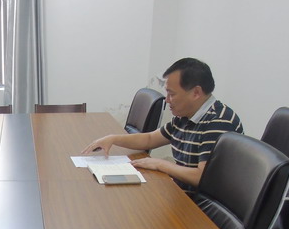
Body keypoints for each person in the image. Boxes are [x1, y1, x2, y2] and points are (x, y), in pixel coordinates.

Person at [82, 57, 244, 190]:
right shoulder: (186, 115)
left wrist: (160, 164)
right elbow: (150, 139)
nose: (167, 100)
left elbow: (201, 177)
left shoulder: (218, 122)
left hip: (200, 207)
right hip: (180, 192)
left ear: (196, 92)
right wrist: (113, 138)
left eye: (172, 94)